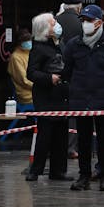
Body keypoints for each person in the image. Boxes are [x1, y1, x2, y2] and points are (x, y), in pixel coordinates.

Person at [62, 5, 104, 191]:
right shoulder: (74, 44)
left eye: (89, 21)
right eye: (83, 20)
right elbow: (67, 71)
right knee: (83, 139)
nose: (85, 24)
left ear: (99, 23)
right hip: (81, 99)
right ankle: (84, 175)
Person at [25, 13, 72, 182]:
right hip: (47, 97)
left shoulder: (60, 44)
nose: (57, 26)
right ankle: (36, 170)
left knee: (61, 135)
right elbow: (31, 73)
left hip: (62, 95)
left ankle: (58, 170)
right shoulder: (38, 48)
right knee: (45, 135)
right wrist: (48, 78)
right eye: (53, 23)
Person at [56, 0, 84, 159]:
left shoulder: (55, 21)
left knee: (57, 111)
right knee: (74, 112)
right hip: (75, 73)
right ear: (79, 7)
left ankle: (58, 145)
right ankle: (71, 146)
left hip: (56, 73)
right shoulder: (81, 23)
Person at [7, 29, 34, 109]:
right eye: (26, 41)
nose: (29, 43)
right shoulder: (16, 57)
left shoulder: (30, 53)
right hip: (26, 93)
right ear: (19, 43)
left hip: (34, 90)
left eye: (30, 40)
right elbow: (24, 80)